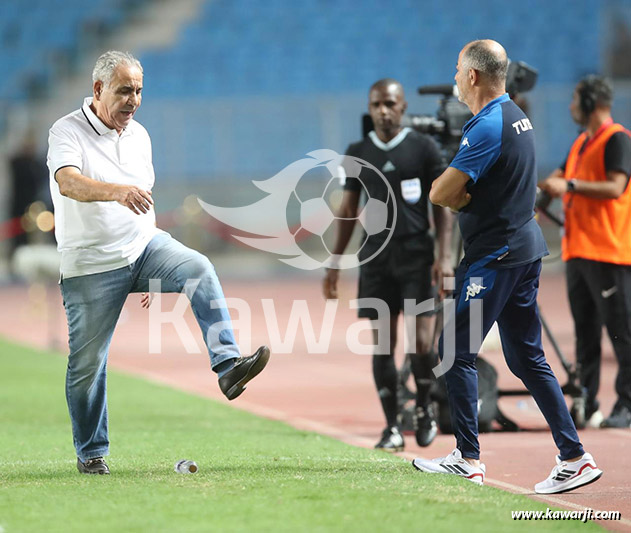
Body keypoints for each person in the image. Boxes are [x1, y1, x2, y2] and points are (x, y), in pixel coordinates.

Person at [47, 51, 270, 475]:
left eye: (139, 91)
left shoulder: (140, 136)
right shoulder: (66, 131)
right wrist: (116, 191)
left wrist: (148, 272)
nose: (133, 100)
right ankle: (92, 452)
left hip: (142, 249)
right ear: (98, 90)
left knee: (198, 268)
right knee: (87, 365)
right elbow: (68, 182)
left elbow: (143, 202)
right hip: (89, 265)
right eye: (124, 90)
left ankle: (227, 366)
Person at [412, 40, 602, 494]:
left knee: (454, 351)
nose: (455, 77)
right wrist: (463, 193)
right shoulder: (516, 114)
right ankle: (574, 456)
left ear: (473, 76)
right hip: (523, 251)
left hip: (496, 256)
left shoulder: (486, 127)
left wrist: (458, 193)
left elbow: (441, 193)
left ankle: (468, 458)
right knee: (525, 356)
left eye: (458, 69)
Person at [322, 79, 454, 451]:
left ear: (403, 106)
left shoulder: (424, 148)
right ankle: (392, 426)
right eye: (377, 104)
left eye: (390, 104)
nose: (383, 111)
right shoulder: (357, 151)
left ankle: (425, 406)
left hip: (417, 257)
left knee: (423, 344)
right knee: (383, 347)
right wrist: (333, 264)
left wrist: (444, 257)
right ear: (370, 107)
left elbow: (442, 206)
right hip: (376, 260)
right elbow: (348, 211)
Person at [540, 75, 631, 429]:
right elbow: (558, 177)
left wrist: (570, 185)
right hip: (578, 250)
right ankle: (587, 400)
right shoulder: (580, 142)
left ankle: (626, 402)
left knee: (622, 331)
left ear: (592, 102)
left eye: (576, 99)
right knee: (585, 332)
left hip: (609, 251)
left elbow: (616, 187)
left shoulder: (617, 139)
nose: (570, 106)